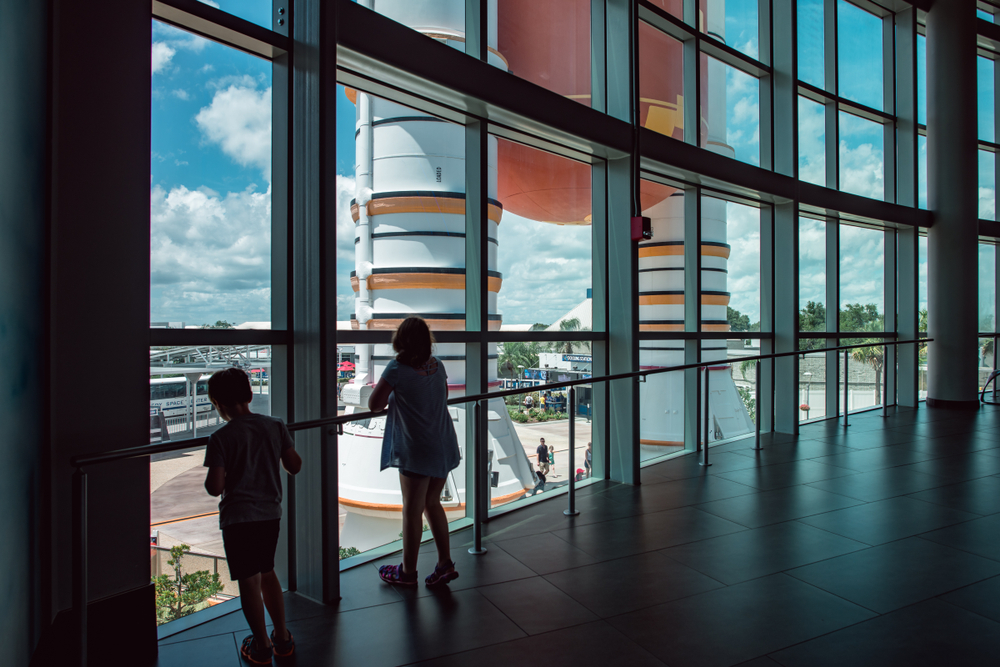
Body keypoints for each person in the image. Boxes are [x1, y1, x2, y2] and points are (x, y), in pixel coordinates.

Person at [203, 368, 302, 665]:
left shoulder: (220, 438)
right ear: (249, 395)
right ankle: (282, 638)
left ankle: (260, 646)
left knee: (248, 581)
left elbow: (215, 487)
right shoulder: (274, 425)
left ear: (218, 403)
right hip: (270, 514)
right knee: (267, 572)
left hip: (237, 520)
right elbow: (294, 465)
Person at [369, 317, 462, 587]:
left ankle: (407, 572)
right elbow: (441, 396)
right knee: (433, 503)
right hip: (443, 442)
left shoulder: (396, 368)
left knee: (411, 510)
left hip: (417, 448)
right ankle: (444, 563)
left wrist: (395, 396)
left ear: (401, 340)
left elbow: (375, 404)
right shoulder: (437, 365)